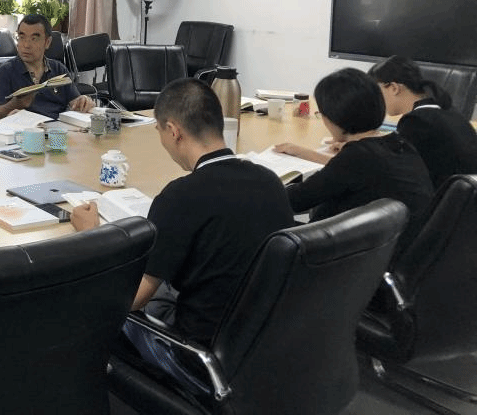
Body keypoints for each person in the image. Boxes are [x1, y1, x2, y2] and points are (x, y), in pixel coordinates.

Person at [71, 78, 293, 394]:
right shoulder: (269, 181)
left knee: (92, 307)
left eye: (159, 131)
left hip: (202, 359)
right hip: (266, 343)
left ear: (174, 131)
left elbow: (128, 300)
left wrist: (93, 235)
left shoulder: (180, 196)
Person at [276, 67, 434, 247]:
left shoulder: (357, 157)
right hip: (404, 249)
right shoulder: (400, 144)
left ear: (333, 117)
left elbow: (296, 200)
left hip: (356, 255)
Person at [369, 55, 477, 190]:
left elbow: (394, 168)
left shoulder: (416, 121)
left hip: (442, 198)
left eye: (377, 92)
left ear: (394, 88)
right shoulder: (448, 112)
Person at [0, 13, 94, 120]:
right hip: (26, 128)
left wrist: (83, 101)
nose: (26, 45)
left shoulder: (59, 69)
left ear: (47, 42)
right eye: (22, 37)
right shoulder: (5, 71)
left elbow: (75, 101)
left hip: (57, 127)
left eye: (34, 39)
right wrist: (14, 105)